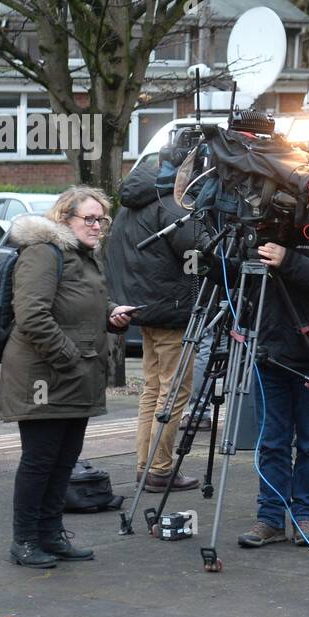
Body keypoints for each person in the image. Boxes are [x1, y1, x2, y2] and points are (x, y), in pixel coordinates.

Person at [0, 187, 137, 567]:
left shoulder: (83, 257)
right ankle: (25, 540)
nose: (97, 226)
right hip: (44, 375)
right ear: (64, 219)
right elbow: (32, 316)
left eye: (101, 219)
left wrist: (112, 313)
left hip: (76, 375)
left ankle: (51, 533)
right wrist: (70, 359)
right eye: (88, 219)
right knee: (40, 460)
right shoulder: (44, 253)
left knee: (65, 461)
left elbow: (81, 301)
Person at [236, 217, 309, 548]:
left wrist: (288, 260)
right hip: (270, 348)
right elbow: (235, 276)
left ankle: (305, 516)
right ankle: (270, 519)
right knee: (272, 442)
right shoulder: (260, 222)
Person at [104, 156, 206, 492]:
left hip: (143, 309)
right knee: (174, 392)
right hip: (172, 312)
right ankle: (160, 468)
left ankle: (145, 466)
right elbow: (199, 249)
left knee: (153, 390)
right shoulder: (170, 207)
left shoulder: (131, 205)